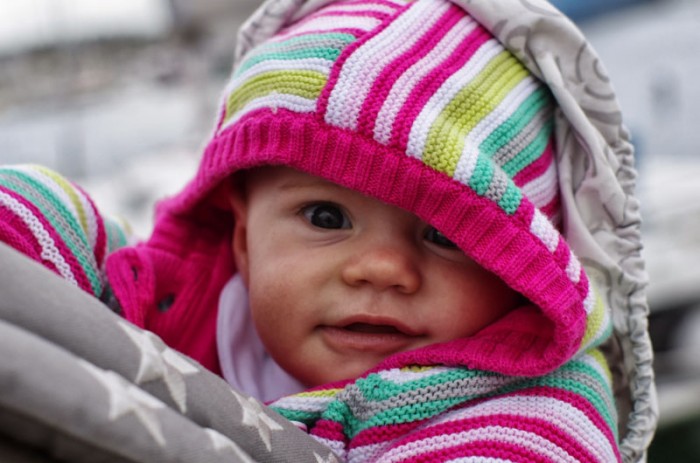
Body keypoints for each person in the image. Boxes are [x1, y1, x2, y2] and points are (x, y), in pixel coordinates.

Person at [0, 0, 658, 461]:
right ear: (241, 237)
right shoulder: (178, 304)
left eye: (444, 234)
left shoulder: (537, 409)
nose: (379, 267)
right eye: (324, 217)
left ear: (520, 272)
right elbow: (72, 237)